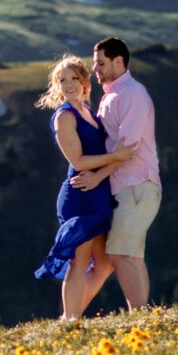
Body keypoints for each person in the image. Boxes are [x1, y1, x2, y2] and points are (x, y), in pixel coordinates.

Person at [34, 55, 137, 320]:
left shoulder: (89, 113)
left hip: (99, 193)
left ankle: (72, 315)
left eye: (73, 78)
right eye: (62, 80)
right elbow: (77, 160)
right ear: (57, 86)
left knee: (104, 264)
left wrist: (110, 165)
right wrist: (117, 156)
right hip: (79, 194)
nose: (68, 84)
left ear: (85, 83)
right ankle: (70, 320)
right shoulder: (64, 116)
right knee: (78, 262)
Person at [70, 37, 161, 311]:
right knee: (131, 256)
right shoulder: (114, 95)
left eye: (100, 63)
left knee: (119, 254)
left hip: (135, 183)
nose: (95, 69)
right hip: (128, 186)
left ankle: (140, 315)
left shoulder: (131, 93)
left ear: (119, 61)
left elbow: (128, 147)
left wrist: (97, 176)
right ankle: (141, 313)